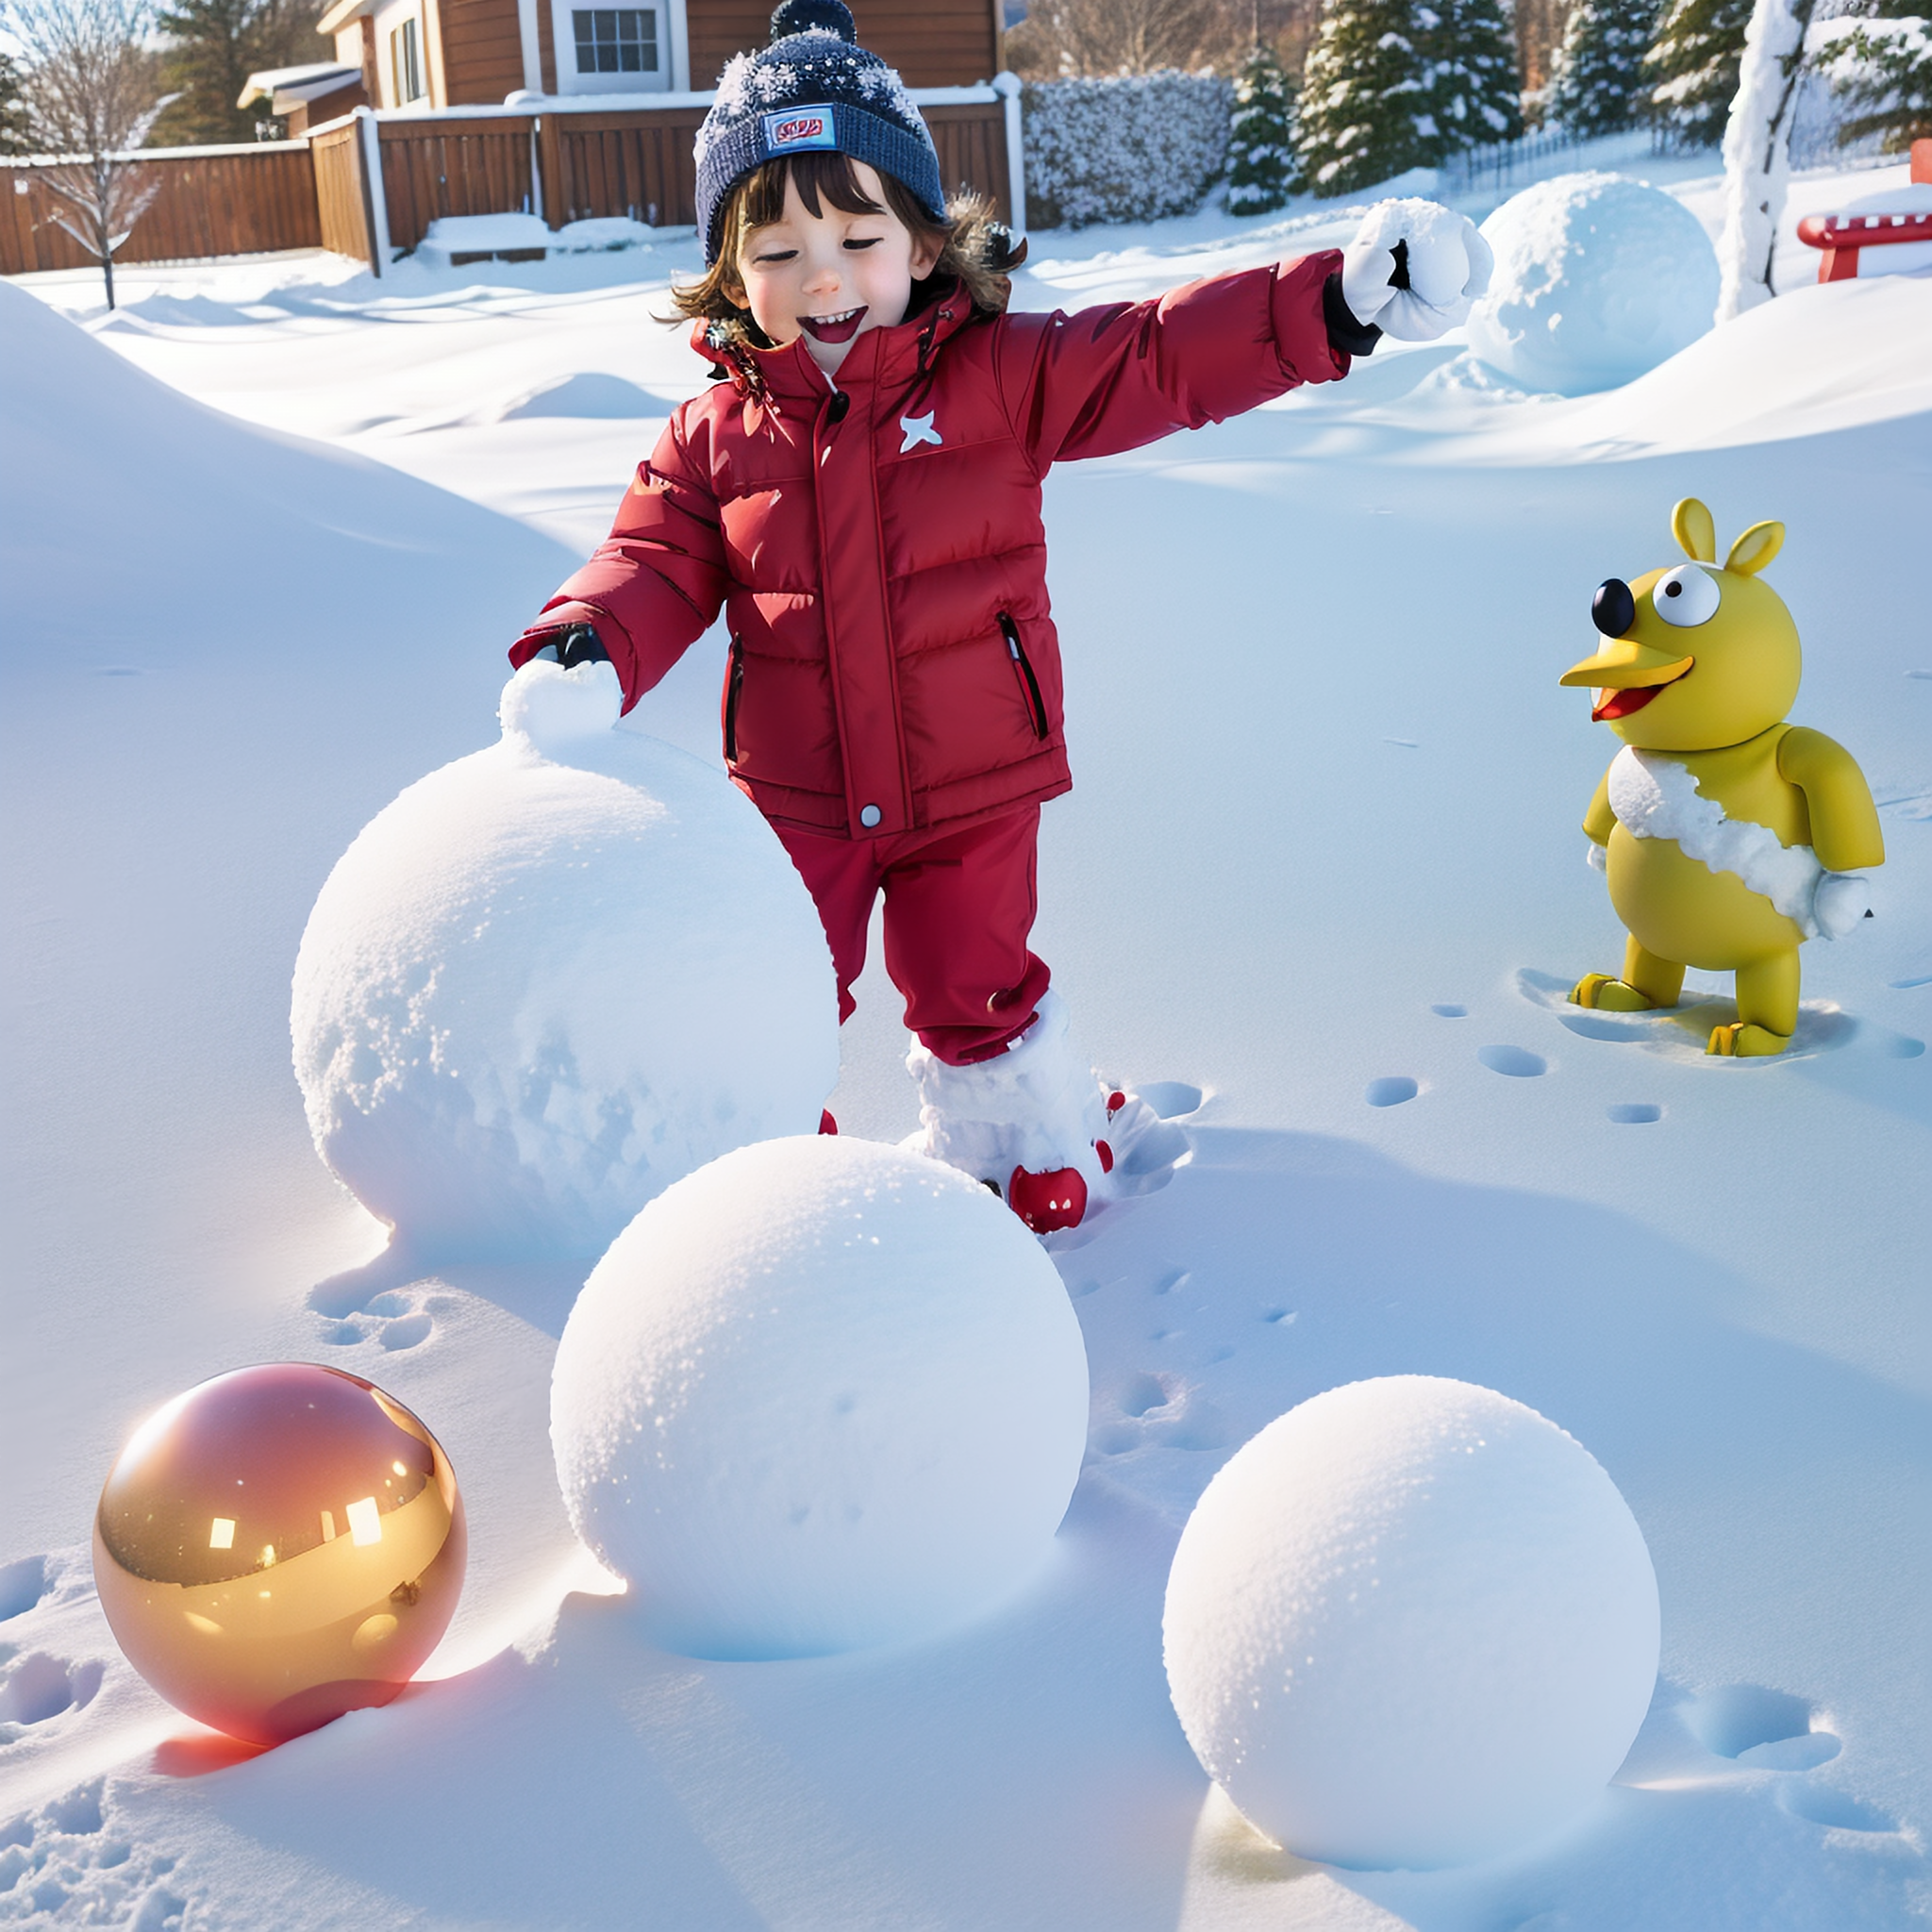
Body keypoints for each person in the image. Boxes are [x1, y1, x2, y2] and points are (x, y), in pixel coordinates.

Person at [511, 0, 1491, 1230]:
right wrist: (586, 640)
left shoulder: (997, 375)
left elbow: (1155, 357)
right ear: (729, 275)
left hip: (972, 779)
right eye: (776, 250)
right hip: (798, 790)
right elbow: (652, 557)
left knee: (969, 977)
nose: (822, 275)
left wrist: (1324, 311)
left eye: (859, 235)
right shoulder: (714, 437)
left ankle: (1020, 1136)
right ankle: (768, 1179)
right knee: (770, 982)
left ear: (923, 247)